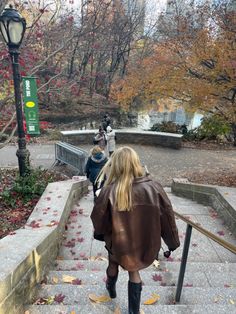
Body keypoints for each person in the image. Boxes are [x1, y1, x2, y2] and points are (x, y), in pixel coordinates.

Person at [90, 147, 180, 314]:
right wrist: (172, 243)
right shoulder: (154, 187)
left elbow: (98, 219)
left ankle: (111, 288)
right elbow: (167, 217)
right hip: (143, 243)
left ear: (115, 165)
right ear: (136, 163)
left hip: (117, 243)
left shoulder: (109, 190)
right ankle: (134, 311)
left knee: (112, 263)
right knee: (134, 271)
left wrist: (103, 233)